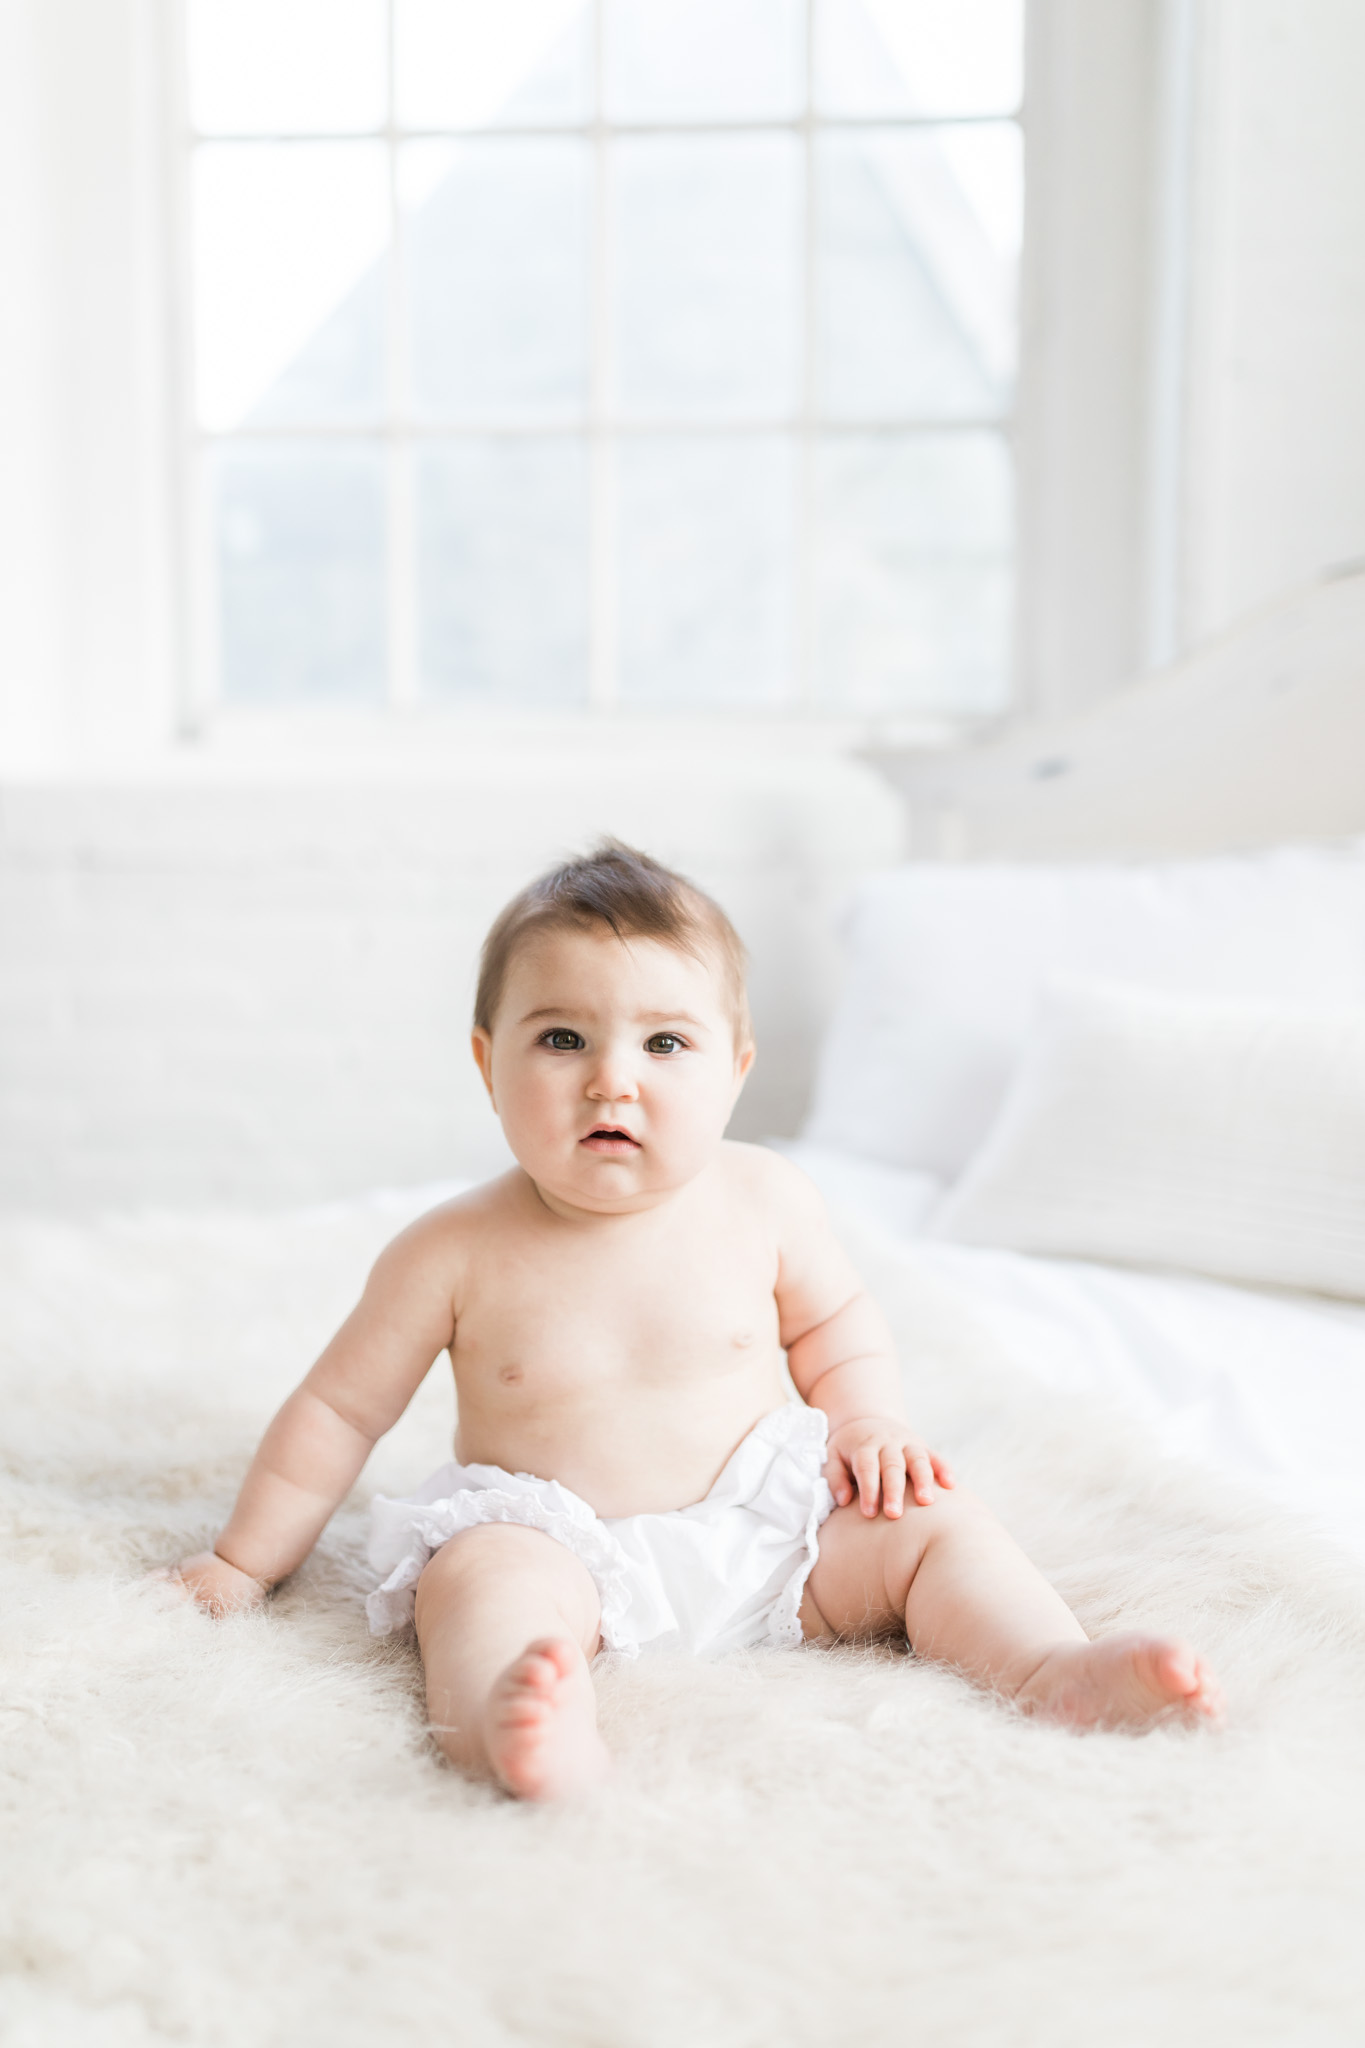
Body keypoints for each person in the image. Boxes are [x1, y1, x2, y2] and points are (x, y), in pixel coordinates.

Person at [170, 842, 1222, 1800]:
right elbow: (338, 1411)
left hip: (776, 1532)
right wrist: (242, 1560)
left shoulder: (765, 1198)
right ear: (489, 1064)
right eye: (564, 1036)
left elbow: (838, 1325)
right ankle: (521, 1723)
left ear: (735, 1069)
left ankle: (1047, 1665)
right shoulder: (449, 1249)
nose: (610, 1078)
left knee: (930, 1525)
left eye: (665, 1041)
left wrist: (864, 1424)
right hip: (560, 1542)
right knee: (476, 1581)